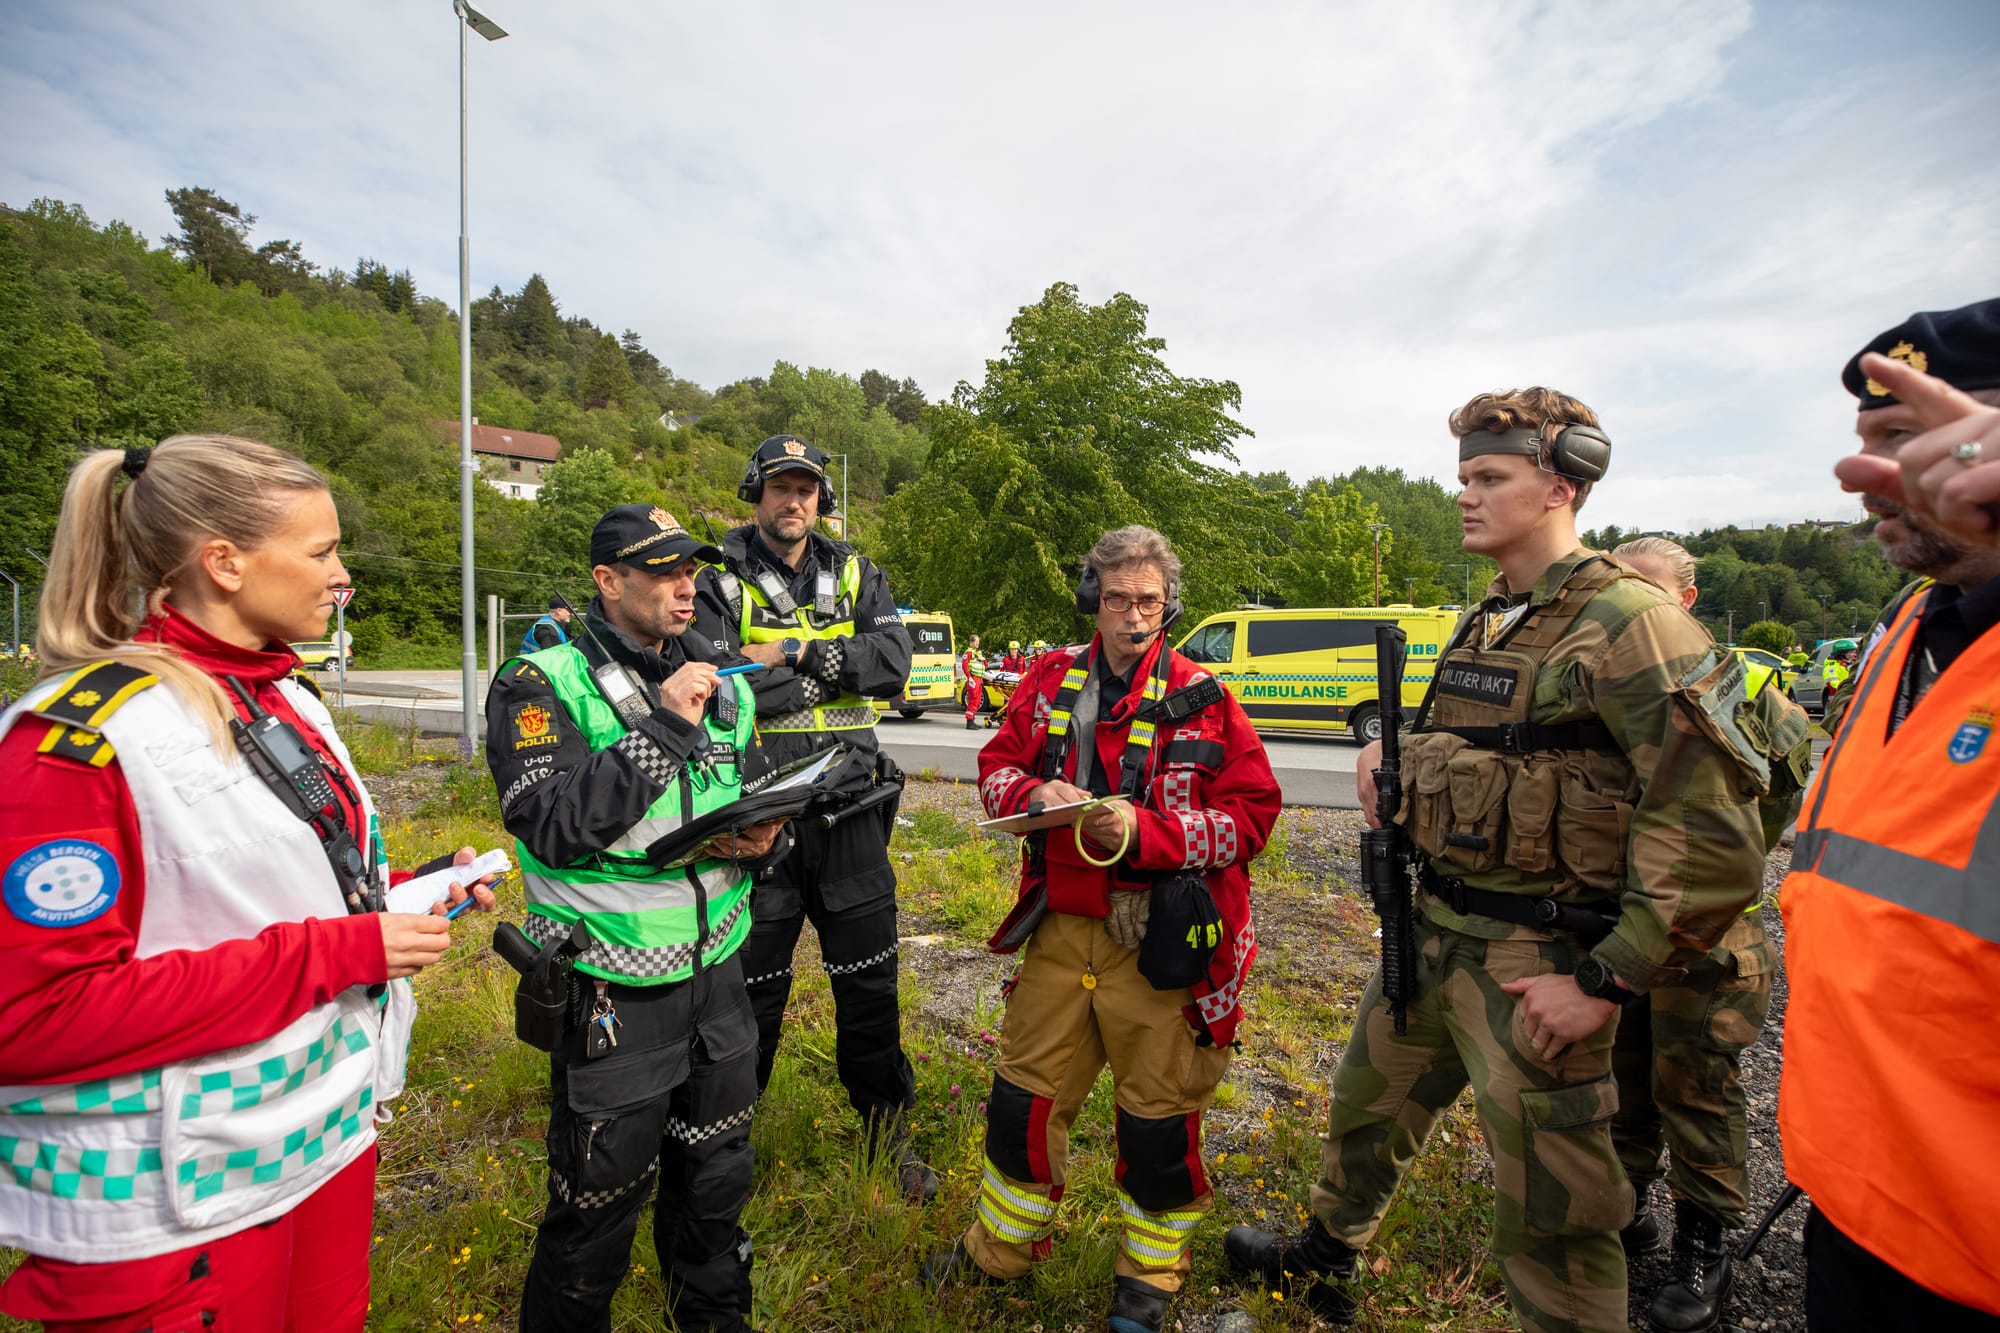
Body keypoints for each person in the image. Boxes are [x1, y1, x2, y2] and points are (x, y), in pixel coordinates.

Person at [1226, 389, 1776, 1333]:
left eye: (1489, 476)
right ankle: (1324, 1259)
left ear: (1562, 484)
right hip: (1435, 932)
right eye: (1463, 477)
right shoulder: (1495, 614)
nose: (1465, 496)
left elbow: (1715, 831)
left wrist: (1605, 985)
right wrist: (1385, 753)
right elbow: (1482, 745)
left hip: (1540, 966)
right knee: (1367, 1105)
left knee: (1555, 1204)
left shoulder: (1635, 623)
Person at [0, 436, 496, 1332]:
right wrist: (340, 949)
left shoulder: (284, 698)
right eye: (320, 552)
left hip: (315, 1140)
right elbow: (30, 1014)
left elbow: (264, 884)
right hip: (164, 1203)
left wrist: (403, 894)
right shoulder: (73, 748)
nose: (341, 575)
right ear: (223, 562)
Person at [923, 526, 1280, 1333]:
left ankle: (1148, 1281)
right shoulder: (1051, 680)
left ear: (1169, 604)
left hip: (1156, 946)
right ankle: (999, 1253)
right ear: (1094, 598)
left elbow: (1253, 817)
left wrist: (1150, 833)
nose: (1132, 615)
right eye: (1116, 598)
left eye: (1148, 600)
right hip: (1059, 932)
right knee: (1023, 1100)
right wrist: (1031, 796)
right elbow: (993, 768)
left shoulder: (1207, 696)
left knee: (1157, 1120)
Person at [485, 502, 784, 1333]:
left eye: (690, 569)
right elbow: (549, 822)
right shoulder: (540, 683)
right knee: (594, 1217)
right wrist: (664, 727)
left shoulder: (718, 675)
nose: (686, 587)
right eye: (662, 572)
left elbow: (744, 794)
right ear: (607, 582)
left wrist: (767, 835)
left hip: (720, 974)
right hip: (610, 990)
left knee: (717, 1190)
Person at [1776, 305, 2000, 1328]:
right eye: (1867, 445)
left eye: (1904, 440)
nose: (1869, 477)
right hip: (1864, 1202)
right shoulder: (1906, 627)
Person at [691, 435, 935, 1200]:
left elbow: (895, 664)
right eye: (778, 487)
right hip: (760, 822)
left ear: (820, 500)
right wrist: (830, 667)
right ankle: (725, 1146)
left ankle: (886, 1131)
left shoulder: (858, 571)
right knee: (748, 991)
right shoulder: (715, 582)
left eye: (806, 489)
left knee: (870, 987)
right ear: (755, 493)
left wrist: (791, 655)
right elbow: (712, 685)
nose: (792, 501)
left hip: (853, 811)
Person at [1609, 536, 1801, 1330]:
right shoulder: (1608, 683)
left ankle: (1703, 1247)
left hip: (1707, 938)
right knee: (1619, 1085)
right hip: (1620, 926)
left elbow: (1771, 812)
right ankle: (1624, 1215)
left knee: (1698, 1091)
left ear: (1686, 602)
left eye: (1651, 596)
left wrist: (1691, 881)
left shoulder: (1748, 688)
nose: (1636, 615)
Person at [960, 633, 986, 730]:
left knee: (978, 700)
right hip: (973, 679)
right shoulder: (968, 653)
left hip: (979, 679)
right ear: (971, 642)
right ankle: (969, 722)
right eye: (976, 641)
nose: (978, 643)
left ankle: (972, 721)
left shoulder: (977, 653)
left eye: (978, 641)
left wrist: (983, 659)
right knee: (973, 699)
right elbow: (964, 665)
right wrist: (969, 677)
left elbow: (985, 665)